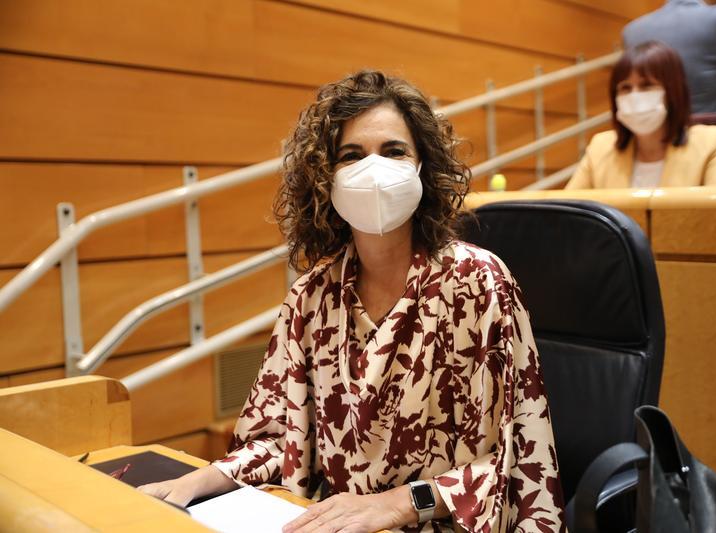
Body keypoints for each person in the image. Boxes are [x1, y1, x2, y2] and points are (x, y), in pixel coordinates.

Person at [138, 70, 564, 533]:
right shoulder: (311, 298)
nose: (373, 169)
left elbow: (515, 459)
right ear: (326, 177)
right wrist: (200, 481)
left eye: (394, 151)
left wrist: (398, 504)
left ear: (423, 168)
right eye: (352, 155)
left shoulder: (478, 284)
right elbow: (283, 437)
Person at [567, 41, 716, 190]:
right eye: (625, 88)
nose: (634, 96)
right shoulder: (600, 147)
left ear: (673, 91)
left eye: (647, 85)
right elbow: (567, 210)